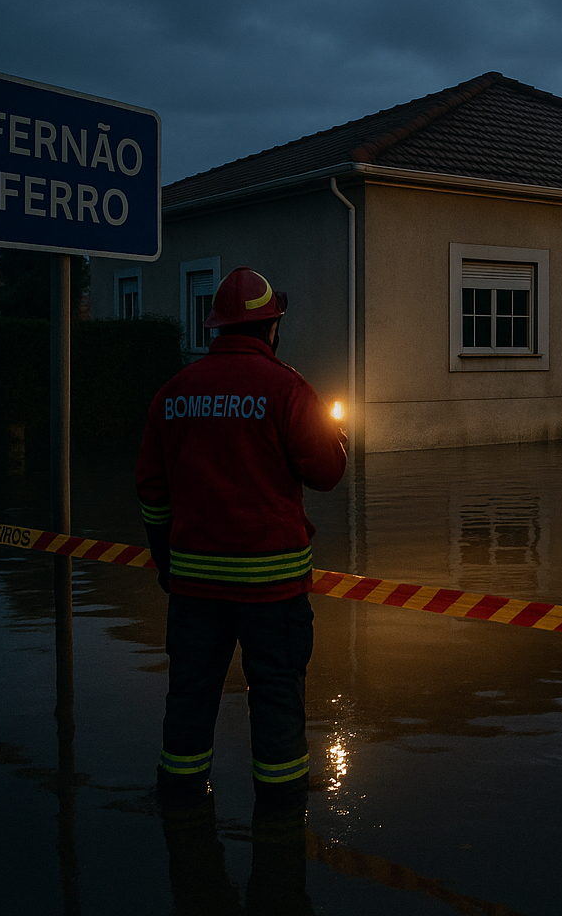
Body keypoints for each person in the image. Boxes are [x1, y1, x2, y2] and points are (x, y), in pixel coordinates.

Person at [137, 265, 346, 803]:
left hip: (194, 590)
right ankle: (280, 843)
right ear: (271, 326)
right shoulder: (289, 389)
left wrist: (167, 564)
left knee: (188, 702)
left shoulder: (172, 393)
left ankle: (183, 828)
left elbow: (151, 493)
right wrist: (337, 438)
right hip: (273, 593)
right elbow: (327, 473)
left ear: (218, 328)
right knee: (277, 704)